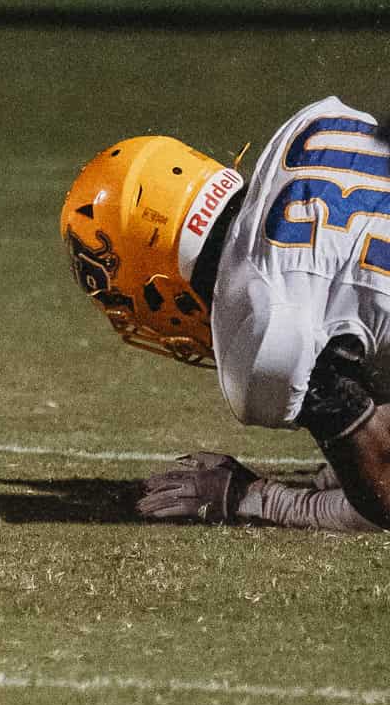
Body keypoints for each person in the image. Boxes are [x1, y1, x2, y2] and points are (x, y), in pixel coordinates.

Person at [58, 95, 390, 532]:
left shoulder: (262, 320)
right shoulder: (313, 127)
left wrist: (254, 498)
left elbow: (385, 497)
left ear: (158, 284)